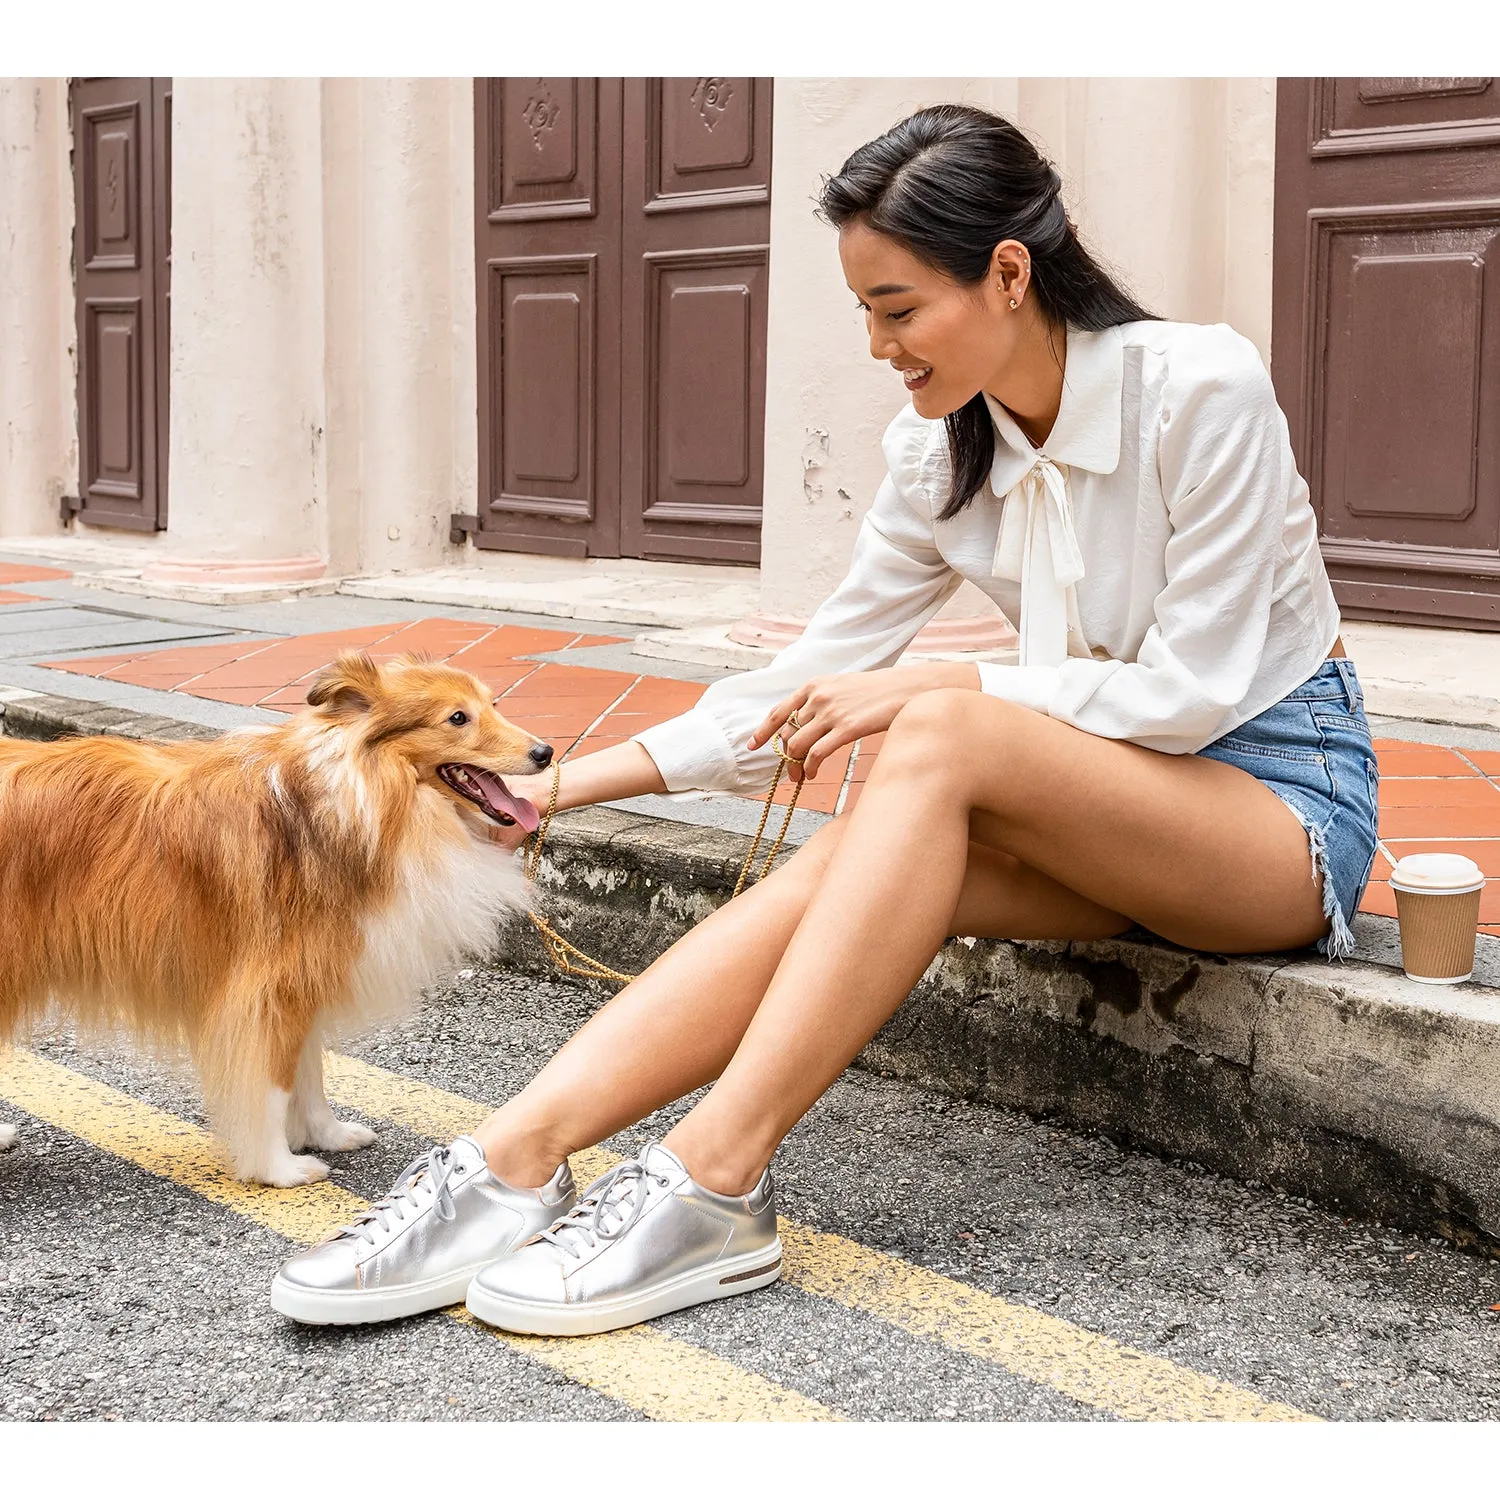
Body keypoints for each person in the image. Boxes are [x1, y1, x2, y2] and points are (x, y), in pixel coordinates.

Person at [270, 103, 1378, 1335]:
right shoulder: (936, 456)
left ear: (1008, 273)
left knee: (937, 738)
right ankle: (511, 1160)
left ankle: (713, 1178)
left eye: (898, 309)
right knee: (868, 846)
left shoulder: (1202, 388)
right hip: (1098, 813)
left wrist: (940, 687)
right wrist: (552, 792)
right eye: (863, 310)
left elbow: (1193, 695)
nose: (874, 345)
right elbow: (802, 686)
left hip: (1275, 815)